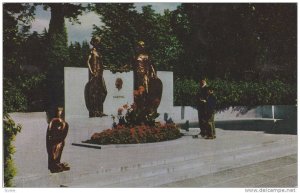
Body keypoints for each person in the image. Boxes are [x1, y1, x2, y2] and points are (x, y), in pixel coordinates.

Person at [133, 41, 162, 115]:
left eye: (143, 45)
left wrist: (154, 74)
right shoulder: (136, 57)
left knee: (147, 88)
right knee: (140, 88)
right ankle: (141, 104)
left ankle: (147, 103)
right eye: (140, 46)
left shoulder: (146, 56)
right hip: (139, 75)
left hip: (146, 75)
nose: (142, 47)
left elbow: (151, 65)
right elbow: (136, 67)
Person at [84, 36, 107, 117]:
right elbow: (88, 62)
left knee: (103, 91)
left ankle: (99, 110)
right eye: (97, 41)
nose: (99, 43)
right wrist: (91, 71)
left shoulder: (99, 52)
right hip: (94, 74)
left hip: (100, 74)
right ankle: (95, 111)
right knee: (94, 93)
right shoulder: (91, 51)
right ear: (93, 42)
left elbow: (101, 63)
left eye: (99, 41)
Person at [46, 107, 70, 173]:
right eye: (59, 111)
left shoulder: (64, 123)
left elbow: (64, 132)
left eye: (61, 111)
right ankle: (53, 165)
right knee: (54, 151)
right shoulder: (53, 121)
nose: (60, 112)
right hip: (54, 141)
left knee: (59, 149)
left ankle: (57, 163)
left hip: (59, 140)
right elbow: (50, 131)